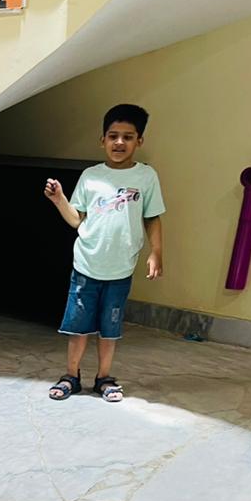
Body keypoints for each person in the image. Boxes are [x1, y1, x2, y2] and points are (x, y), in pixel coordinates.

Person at [44, 103, 165, 402]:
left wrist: (156, 252)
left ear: (139, 141)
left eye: (128, 137)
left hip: (120, 269)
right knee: (79, 328)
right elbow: (77, 220)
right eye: (113, 136)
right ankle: (71, 376)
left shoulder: (146, 177)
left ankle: (104, 378)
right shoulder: (90, 176)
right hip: (86, 266)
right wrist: (59, 200)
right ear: (102, 140)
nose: (119, 142)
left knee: (110, 329)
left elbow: (152, 216)